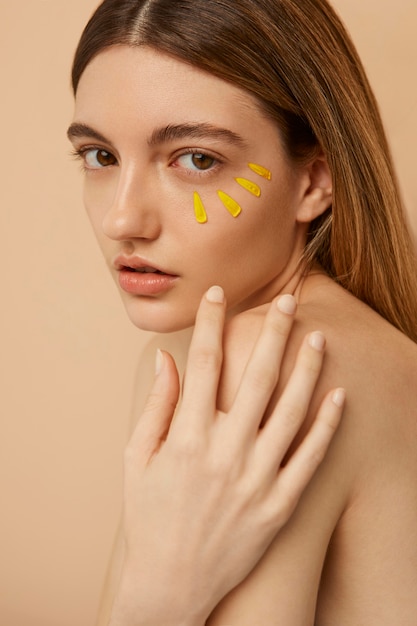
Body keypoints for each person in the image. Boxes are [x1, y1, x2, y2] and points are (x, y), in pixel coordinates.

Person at [67, 0, 417, 624]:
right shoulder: (376, 351)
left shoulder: (259, 365)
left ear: (313, 181)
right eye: (100, 156)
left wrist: (157, 598)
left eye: (196, 159)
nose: (122, 219)